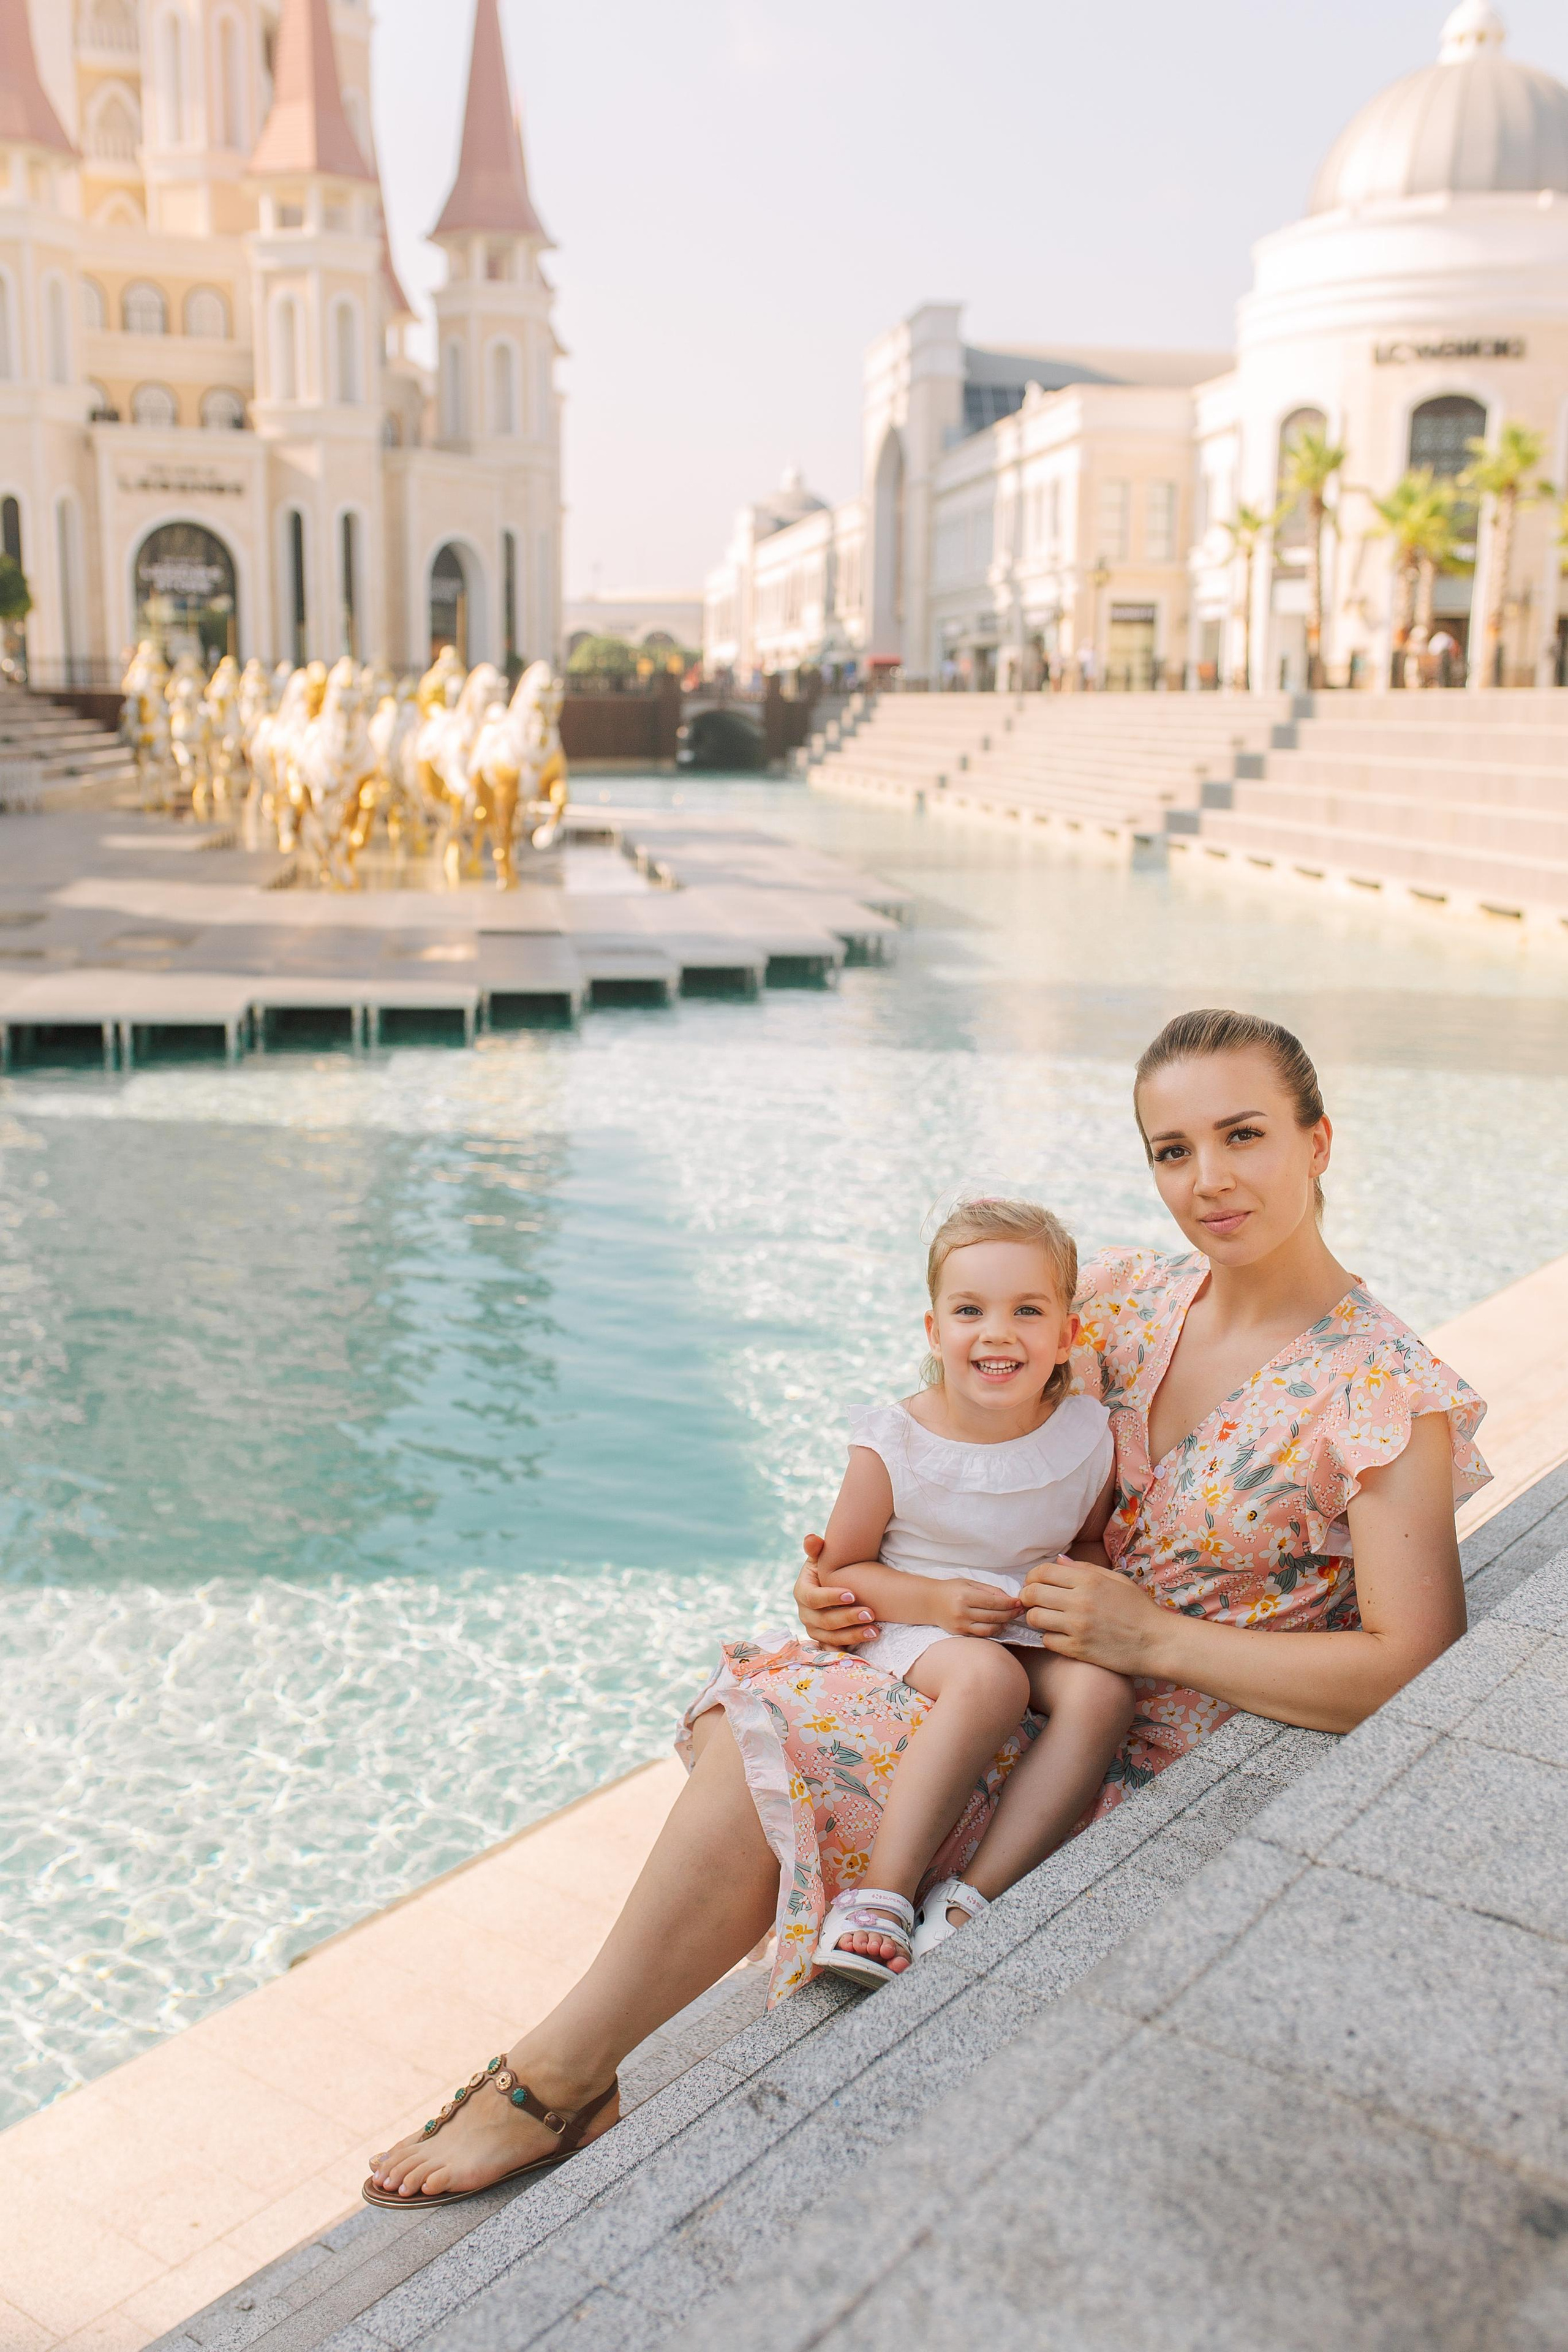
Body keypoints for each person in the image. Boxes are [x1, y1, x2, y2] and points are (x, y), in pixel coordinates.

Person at [364, 1008, 1487, 2207]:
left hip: (1147, 1744)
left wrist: (1149, 1637)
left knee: (807, 1743)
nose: (1206, 1180)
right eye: (1170, 1150)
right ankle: (568, 2065)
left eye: (1242, 1135)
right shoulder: (1113, 1303)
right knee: (796, 1717)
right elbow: (941, 1440)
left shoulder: (1377, 1392)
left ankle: (552, 2083)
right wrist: (849, 1571)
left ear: (1317, 1141)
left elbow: (1415, 1663)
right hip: (1010, 1667)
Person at [809, 1197, 1128, 1988]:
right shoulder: (894, 1443)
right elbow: (843, 1571)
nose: (997, 1331)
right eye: (969, 1310)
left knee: (1102, 1693)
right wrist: (940, 1602)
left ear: (1066, 1336)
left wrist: (1075, 1582)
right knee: (990, 1678)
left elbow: (1086, 1541)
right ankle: (878, 1899)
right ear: (934, 1331)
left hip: (1018, 1620)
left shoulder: (1085, 1435)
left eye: (1027, 1310)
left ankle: (969, 1901)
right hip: (916, 1622)